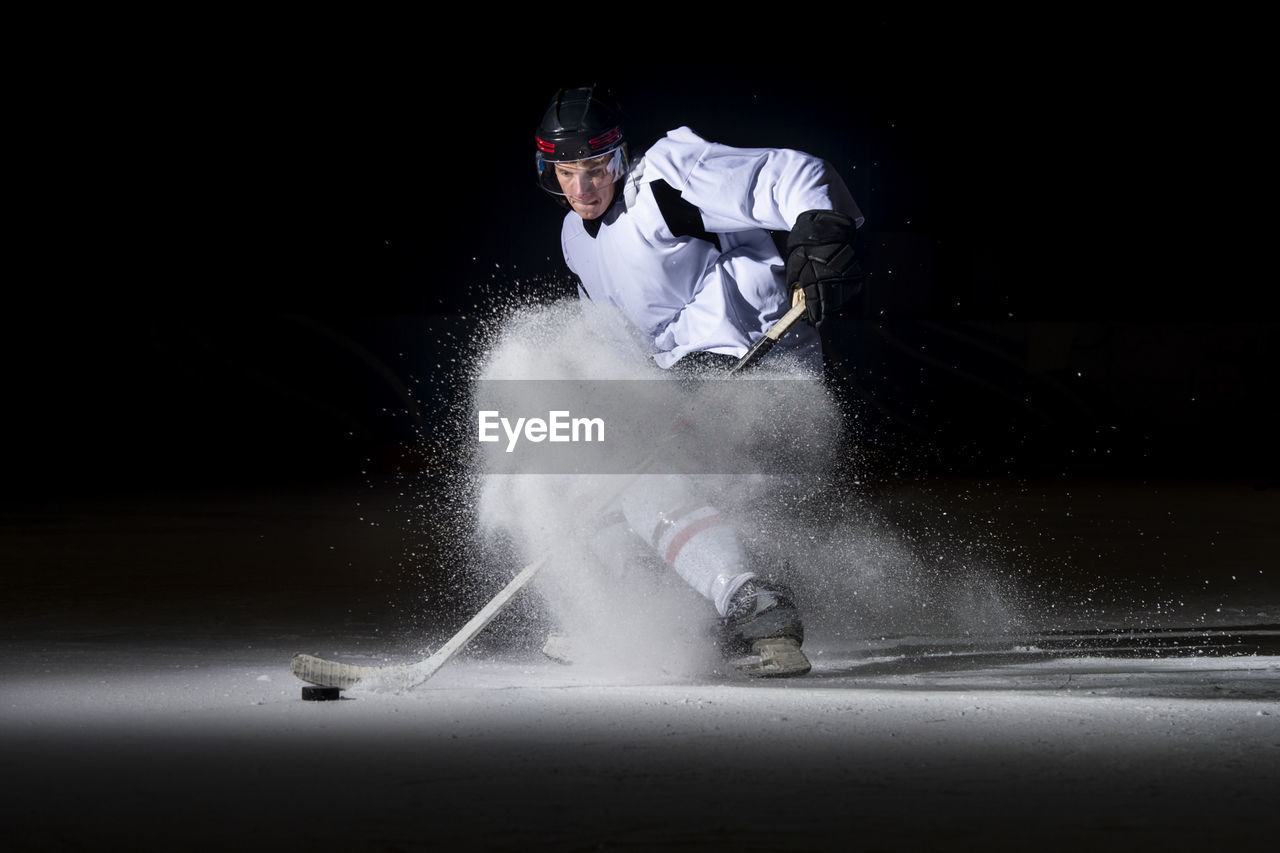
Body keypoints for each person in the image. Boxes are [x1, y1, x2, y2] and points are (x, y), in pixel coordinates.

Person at [528, 85, 866, 677]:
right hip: (678, 380)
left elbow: (791, 173)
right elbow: (619, 345)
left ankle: (758, 609)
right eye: (566, 172)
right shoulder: (574, 242)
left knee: (641, 481)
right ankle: (651, 620)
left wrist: (819, 234)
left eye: (595, 168)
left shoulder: (663, 179)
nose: (582, 187)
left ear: (619, 158)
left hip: (753, 367)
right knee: (588, 490)